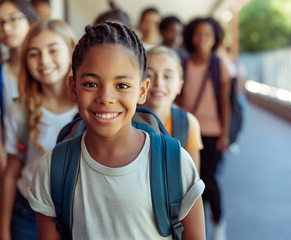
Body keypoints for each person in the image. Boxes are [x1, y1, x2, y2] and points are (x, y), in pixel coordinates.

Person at [28, 22, 206, 239]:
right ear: (73, 88)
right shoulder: (52, 168)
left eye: (121, 85)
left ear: (142, 91)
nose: (105, 97)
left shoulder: (175, 162)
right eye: (91, 84)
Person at [0, 19, 78, 240]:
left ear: (72, 52)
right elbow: (12, 171)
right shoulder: (20, 110)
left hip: (77, 214)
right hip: (28, 214)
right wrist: (3, 229)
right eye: (34, 53)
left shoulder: (88, 107)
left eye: (53, 50)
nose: (44, 61)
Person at [0, 0, 38, 203]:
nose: (5, 27)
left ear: (30, 20)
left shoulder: (47, 69)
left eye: (13, 19)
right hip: (12, 174)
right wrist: (9, 182)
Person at [181, 17, 231, 240]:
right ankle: (196, 226)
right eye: (198, 34)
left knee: (208, 181)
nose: (202, 39)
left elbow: (225, 104)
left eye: (207, 35)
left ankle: (219, 221)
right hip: (188, 131)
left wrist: (225, 134)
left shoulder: (220, 67)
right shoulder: (183, 64)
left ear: (215, 39)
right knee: (191, 181)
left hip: (212, 133)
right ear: (191, 37)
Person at [142, 46, 203, 172]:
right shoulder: (124, 120)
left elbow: (193, 184)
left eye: (167, 76)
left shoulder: (188, 123)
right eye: (150, 75)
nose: (158, 83)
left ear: (179, 86)